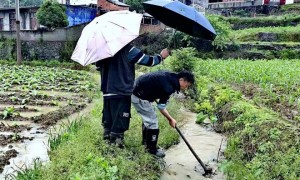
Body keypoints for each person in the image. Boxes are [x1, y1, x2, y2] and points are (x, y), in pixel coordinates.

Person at [95, 44, 169, 148]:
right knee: (120, 121)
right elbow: (148, 61)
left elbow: (98, 67)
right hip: (121, 90)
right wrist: (161, 56)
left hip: (107, 91)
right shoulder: (128, 49)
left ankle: (107, 147)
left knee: (108, 120)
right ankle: (117, 149)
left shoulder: (102, 50)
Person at [132, 70, 195, 157]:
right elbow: (161, 107)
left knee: (149, 118)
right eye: (187, 85)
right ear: (182, 80)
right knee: (153, 123)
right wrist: (171, 119)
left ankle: (146, 143)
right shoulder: (168, 87)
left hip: (138, 89)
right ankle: (151, 150)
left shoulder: (170, 76)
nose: (186, 87)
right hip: (138, 95)